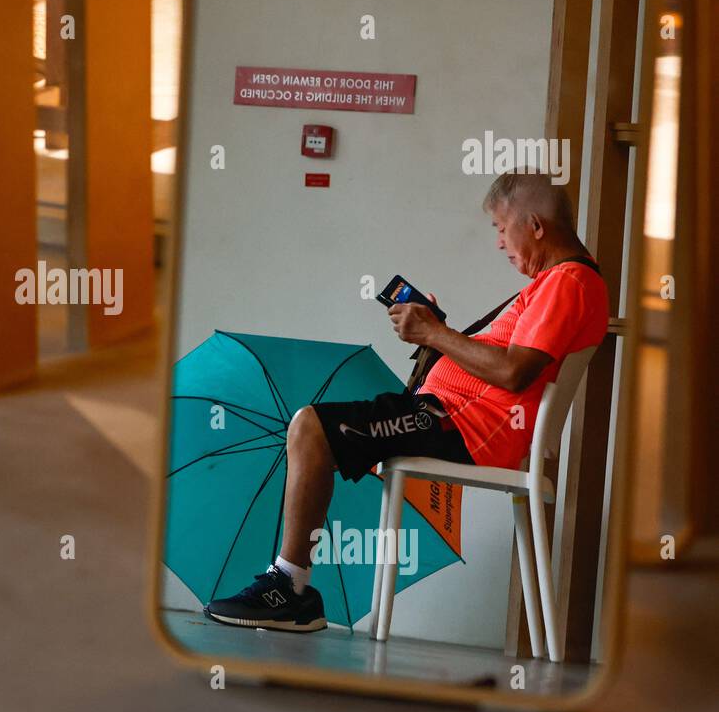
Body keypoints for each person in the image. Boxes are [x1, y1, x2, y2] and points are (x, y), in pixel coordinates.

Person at [204, 171, 610, 632]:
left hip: (464, 426)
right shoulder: (556, 283)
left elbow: (515, 372)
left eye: (501, 227)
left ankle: (290, 588)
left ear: (535, 225)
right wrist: (437, 333)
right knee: (310, 426)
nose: (499, 243)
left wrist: (436, 333)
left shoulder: (569, 282)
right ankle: (293, 588)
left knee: (310, 427)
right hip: (448, 417)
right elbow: (499, 361)